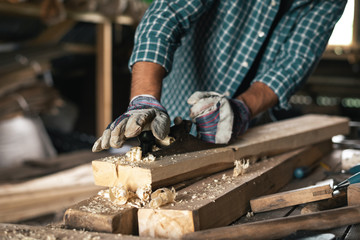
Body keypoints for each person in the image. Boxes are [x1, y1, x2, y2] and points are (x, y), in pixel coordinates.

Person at [92, 0, 347, 152]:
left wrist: (242, 109)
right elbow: (167, 14)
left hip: (249, 127)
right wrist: (144, 97)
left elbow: (295, 59)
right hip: (177, 101)